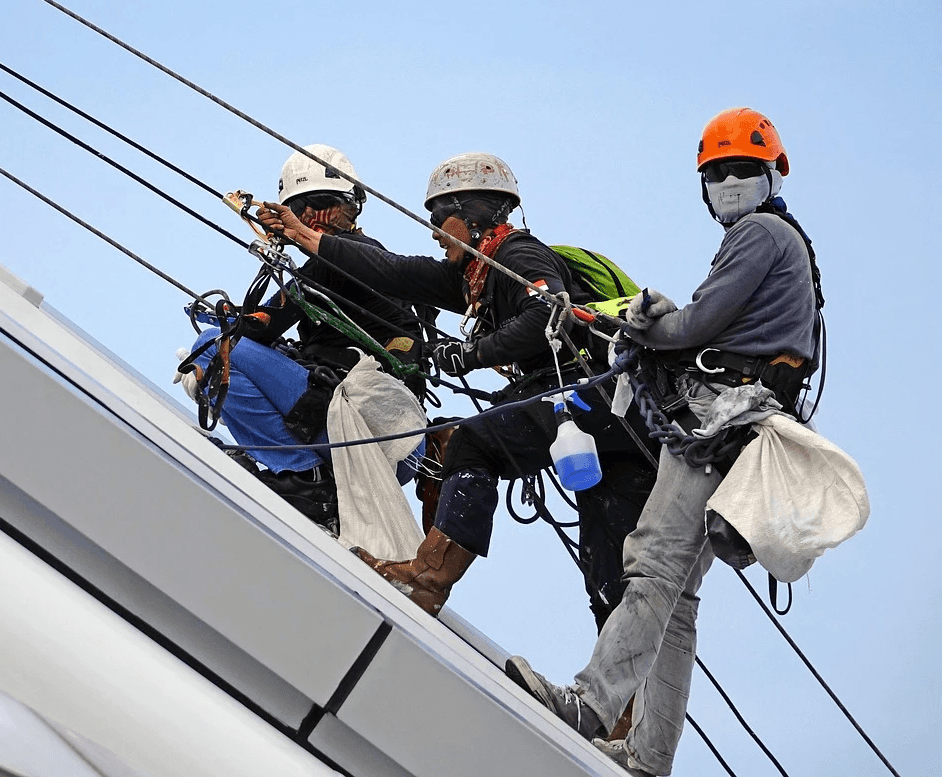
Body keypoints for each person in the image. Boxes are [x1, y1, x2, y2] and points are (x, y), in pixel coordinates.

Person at [504, 108, 822, 776]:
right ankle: (648, 757)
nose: (730, 181)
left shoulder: (760, 233)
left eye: (741, 170)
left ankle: (585, 707)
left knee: (650, 565)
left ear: (771, 176)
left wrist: (644, 321)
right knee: (675, 601)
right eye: (719, 173)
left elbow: (698, 325)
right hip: (745, 425)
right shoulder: (787, 242)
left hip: (720, 423)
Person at [259, 152, 659, 622]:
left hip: (593, 394)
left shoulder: (517, 254)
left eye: (437, 217)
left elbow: (545, 314)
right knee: (606, 563)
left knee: (470, 439)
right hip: (619, 422)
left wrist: (472, 354)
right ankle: (625, 696)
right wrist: (309, 237)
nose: (432, 231)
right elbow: (393, 270)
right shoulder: (473, 276)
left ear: (472, 213)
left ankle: (427, 577)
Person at [177, 144, 424, 535]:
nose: (311, 218)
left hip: (370, 432)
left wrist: (228, 326)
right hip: (392, 446)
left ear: (352, 207)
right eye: (301, 209)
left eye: (322, 204)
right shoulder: (366, 262)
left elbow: (261, 324)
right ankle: (310, 479)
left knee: (213, 347)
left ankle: (301, 476)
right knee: (249, 351)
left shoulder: (345, 257)